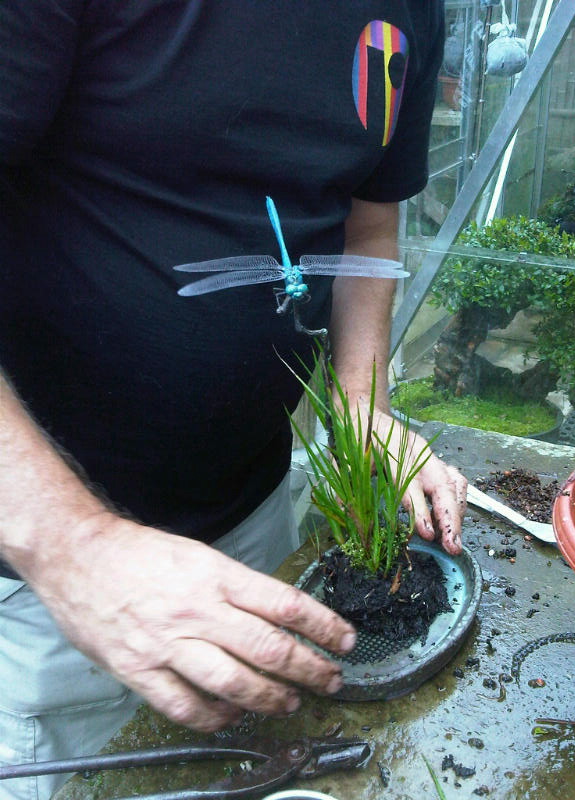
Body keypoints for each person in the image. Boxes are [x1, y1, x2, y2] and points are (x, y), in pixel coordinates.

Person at [0, 2, 466, 797]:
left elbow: (367, 227)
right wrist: (70, 548)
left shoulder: (412, 10)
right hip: (44, 584)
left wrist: (362, 408)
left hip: (258, 523)